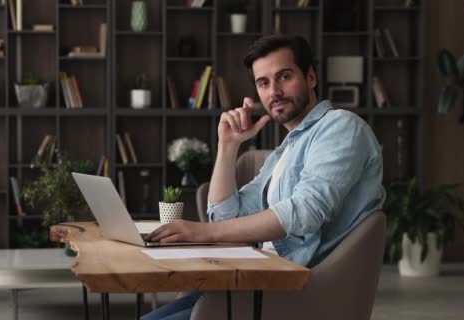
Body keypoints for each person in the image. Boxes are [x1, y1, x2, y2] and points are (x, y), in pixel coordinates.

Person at [142, 34, 385, 320]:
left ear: (310, 77)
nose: (274, 92)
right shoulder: (285, 150)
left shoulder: (341, 127)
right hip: (259, 280)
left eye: (284, 76)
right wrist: (228, 146)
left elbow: (304, 213)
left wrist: (202, 231)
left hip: (299, 293)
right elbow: (223, 218)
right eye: (263, 83)